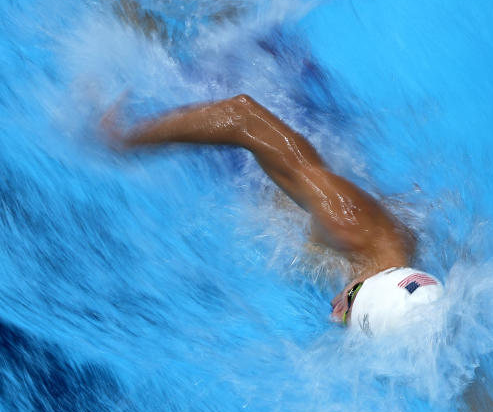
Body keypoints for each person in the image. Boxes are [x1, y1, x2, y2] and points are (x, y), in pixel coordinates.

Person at [101, 94, 443, 335]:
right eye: (349, 305)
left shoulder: (419, 304)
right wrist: (129, 142)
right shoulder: (347, 222)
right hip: (246, 162)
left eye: (349, 322)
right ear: (368, 285)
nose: (336, 311)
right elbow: (244, 116)